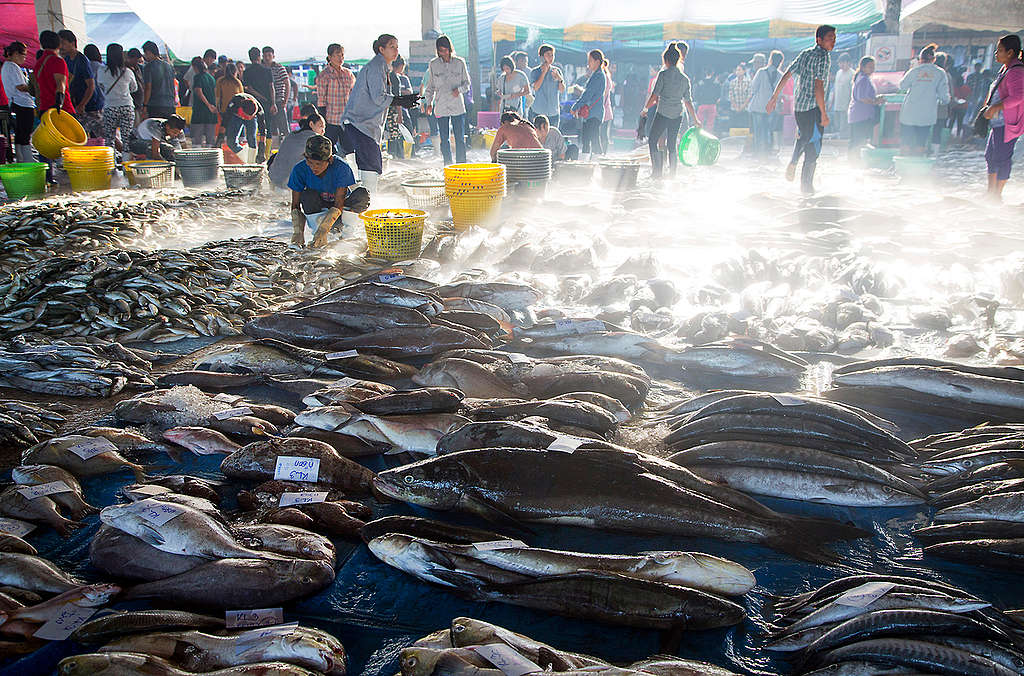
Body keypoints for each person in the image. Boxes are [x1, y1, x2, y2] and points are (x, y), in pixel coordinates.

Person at [339, 34, 420, 192]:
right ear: (381, 49)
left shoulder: (382, 66)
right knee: (371, 164)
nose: (396, 50)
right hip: (360, 123)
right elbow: (378, 97)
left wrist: (401, 100)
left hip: (360, 123)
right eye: (392, 47)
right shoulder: (376, 67)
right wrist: (401, 100)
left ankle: (364, 200)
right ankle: (369, 202)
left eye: (397, 47)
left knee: (366, 164)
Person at [767, 24, 836, 195]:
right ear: (818, 40)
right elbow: (819, 87)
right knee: (814, 145)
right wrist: (824, 112)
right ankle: (806, 186)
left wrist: (775, 96)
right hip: (814, 107)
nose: (833, 42)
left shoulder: (805, 54)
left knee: (806, 136)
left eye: (834, 38)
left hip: (799, 107)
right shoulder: (824, 57)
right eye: (829, 38)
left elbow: (787, 74)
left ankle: (798, 170)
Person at [288, 134, 370, 247]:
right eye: (310, 163)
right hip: (319, 210)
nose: (314, 168)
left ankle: (347, 234)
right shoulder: (299, 170)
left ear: (330, 160)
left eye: (318, 164)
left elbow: (339, 203)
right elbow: (295, 205)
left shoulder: (342, 168)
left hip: (340, 212)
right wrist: (298, 232)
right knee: (307, 196)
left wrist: (324, 229)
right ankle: (317, 234)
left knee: (362, 194)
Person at [641, 42, 699, 178]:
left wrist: (645, 109)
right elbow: (688, 102)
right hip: (678, 114)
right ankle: (672, 174)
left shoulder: (663, 75)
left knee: (653, 140)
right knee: (672, 144)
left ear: (666, 60)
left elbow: (654, 96)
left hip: (662, 113)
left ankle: (657, 171)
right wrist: (696, 119)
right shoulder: (685, 79)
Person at [980, 34, 1024, 202]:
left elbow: (1019, 97)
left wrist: (995, 107)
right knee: (990, 156)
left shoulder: (1017, 71)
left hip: (1008, 122)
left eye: (999, 50)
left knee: (1001, 158)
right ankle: (990, 192)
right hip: (998, 121)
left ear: (1011, 52)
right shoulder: (1005, 68)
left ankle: (997, 195)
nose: (996, 54)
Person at [422, 35, 471, 166]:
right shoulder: (433, 64)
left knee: (460, 138)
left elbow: (467, 84)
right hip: (441, 106)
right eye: (440, 50)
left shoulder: (460, 62)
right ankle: (447, 164)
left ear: (450, 49)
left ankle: (461, 164)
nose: (443, 53)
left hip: (457, 106)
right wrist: (428, 103)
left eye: (445, 50)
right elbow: (430, 87)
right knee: (444, 138)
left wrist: (459, 90)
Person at [898, 43, 950, 156]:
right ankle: (917, 168)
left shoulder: (914, 71)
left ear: (920, 59)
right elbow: (945, 98)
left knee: (905, 142)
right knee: (920, 143)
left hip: (909, 114)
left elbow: (902, 87)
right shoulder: (940, 73)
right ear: (934, 59)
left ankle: (902, 168)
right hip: (927, 115)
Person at [269, 104, 324, 189]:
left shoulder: (292, 134)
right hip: (287, 183)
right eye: (321, 126)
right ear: (311, 124)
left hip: (274, 177)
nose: (323, 131)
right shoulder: (315, 139)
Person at [59, 30, 103, 137]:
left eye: (63, 43)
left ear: (73, 43)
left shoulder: (82, 60)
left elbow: (91, 85)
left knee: (102, 137)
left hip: (91, 106)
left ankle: (124, 151)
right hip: (79, 105)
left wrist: (82, 104)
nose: (61, 47)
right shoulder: (67, 59)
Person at [96, 43, 138, 152]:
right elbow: (134, 88)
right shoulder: (128, 72)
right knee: (127, 139)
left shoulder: (101, 71)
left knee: (110, 139)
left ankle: (112, 167)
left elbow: (100, 86)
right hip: (127, 107)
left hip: (110, 107)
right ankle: (126, 165)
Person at [316, 43, 355, 152]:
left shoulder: (348, 74)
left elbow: (354, 95)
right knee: (327, 150)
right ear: (330, 57)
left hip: (346, 120)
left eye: (342, 55)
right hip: (330, 120)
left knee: (350, 150)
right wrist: (323, 121)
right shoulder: (324, 75)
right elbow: (321, 100)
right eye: (337, 55)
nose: (340, 58)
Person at [571, 49, 607, 161]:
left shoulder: (598, 76)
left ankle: (595, 166)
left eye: (590, 61)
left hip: (594, 114)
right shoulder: (596, 75)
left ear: (597, 61)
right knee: (588, 139)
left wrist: (576, 106)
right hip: (591, 114)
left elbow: (588, 94)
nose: (588, 63)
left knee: (593, 140)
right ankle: (587, 166)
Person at [2, 41, 35, 162]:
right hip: (22, 103)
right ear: (15, 53)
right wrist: (35, 88)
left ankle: (22, 158)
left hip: (17, 103)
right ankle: (27, 159)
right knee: (24, 134)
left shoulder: (7, 66)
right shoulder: (12, 66)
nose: (25, 58)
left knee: (20, 134)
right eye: (24, 55)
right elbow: (20, 86)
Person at [847, 56, 884, 160]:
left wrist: (875, 99)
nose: (872, 69)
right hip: (860, 114)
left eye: (873, 67)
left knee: (857, 140)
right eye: (870, 67)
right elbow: (862, 98)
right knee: (858, 140)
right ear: (863, 67)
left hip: (858, 114)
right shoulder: (863, 79)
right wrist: (875, 101)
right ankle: (854, 161)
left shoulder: (863, 77)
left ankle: (853, 161)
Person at [748, 50, 784, 157]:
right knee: (768, 131)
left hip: (758, 107)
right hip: (771, 108)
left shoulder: (761, 72)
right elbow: (780, 93)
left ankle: (758, 153)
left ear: (770, 60)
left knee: (758, 132)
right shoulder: (781, 75)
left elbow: (753, 88)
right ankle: (767, 153)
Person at [530, 44, 565, 129]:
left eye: (552, 55)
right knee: (538, 137)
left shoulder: (557, 71)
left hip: (554, 112)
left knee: (553, 137)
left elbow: (562, 90)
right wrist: (543, 73)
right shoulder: (535, 71)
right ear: (541, 57)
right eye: (548, 55)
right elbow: (535, 88)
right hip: (539, 111)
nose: (551, 57)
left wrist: (560, 79)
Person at [141, 41, 176, 119]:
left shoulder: (148, 67)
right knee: (168, 130)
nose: (144, 56)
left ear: (149, 52)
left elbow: (148, 88)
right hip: (170, 105)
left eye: (145, 53)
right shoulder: (169, 66)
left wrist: (145, 106)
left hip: (155, 105)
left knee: (155, 130)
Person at [188, 57, 217, 147]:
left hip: (200, 111)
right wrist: (213, 106)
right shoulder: (211, 78)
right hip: (211, 112)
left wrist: (208, 105)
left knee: (197, 140)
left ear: (195, 67)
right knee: (210, 140)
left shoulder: (198, 77)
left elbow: (198, 91)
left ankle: (196, 159)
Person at [224, 92, 264, 156]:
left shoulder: (259, 111)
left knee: (251, 138)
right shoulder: (234, 104)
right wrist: (220, 137)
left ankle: (252, 158)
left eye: (248, 117)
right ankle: (244, 155)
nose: (245, 118)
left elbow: (262, 130)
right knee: (231, 142)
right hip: (236, 116)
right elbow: (225, 120)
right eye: (245, 116)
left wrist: (261, 149)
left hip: (251, 116)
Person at [263, 46, 290, 142]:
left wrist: (285, 100)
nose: (267, 58)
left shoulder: (279, 68)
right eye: (265, 55)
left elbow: (287, 83)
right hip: (267, 101)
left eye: (269, 55)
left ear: (273, 56)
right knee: (270, 128)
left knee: (284, 127)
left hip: (279, 100)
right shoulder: (262, 68)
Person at [832, 53, 854, 138]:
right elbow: (835, 89)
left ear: (848, 63)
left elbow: (852, 91)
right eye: (840, 63)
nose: (841, 65)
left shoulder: (852, 74)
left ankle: (844, 140)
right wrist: (832, 102)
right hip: (837, 104)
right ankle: (841, 138)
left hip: (846, 104)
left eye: (843, 63)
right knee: (837, 124)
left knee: (844, 125)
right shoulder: (838, 73)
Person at [125, 47, 145, 123]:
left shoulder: (140, 68)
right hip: (131, 103)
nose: (136, 62)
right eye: (135, 59)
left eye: (138, 60)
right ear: (129, 58)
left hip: (140, 103)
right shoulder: (124, 70)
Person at [728, 63, 750, 129]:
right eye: (737, 70)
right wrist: (736, 107)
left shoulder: (748, 82)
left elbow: (749, 95)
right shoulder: (732, 82)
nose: (737, 72)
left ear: (744, 71)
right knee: (734, 128)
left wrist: (742, 107)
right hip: (734, 109)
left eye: (739, 70)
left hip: (745, 109)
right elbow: (731, 95)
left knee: (744, 128)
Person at [599, 58, 614, 154]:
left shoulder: (604, 77)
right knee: (603, 133)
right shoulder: (606, 76)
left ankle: (603, 153)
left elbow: (603, 95)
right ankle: (602, 153)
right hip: (606, 110)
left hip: (604, 110)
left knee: (603, 134)